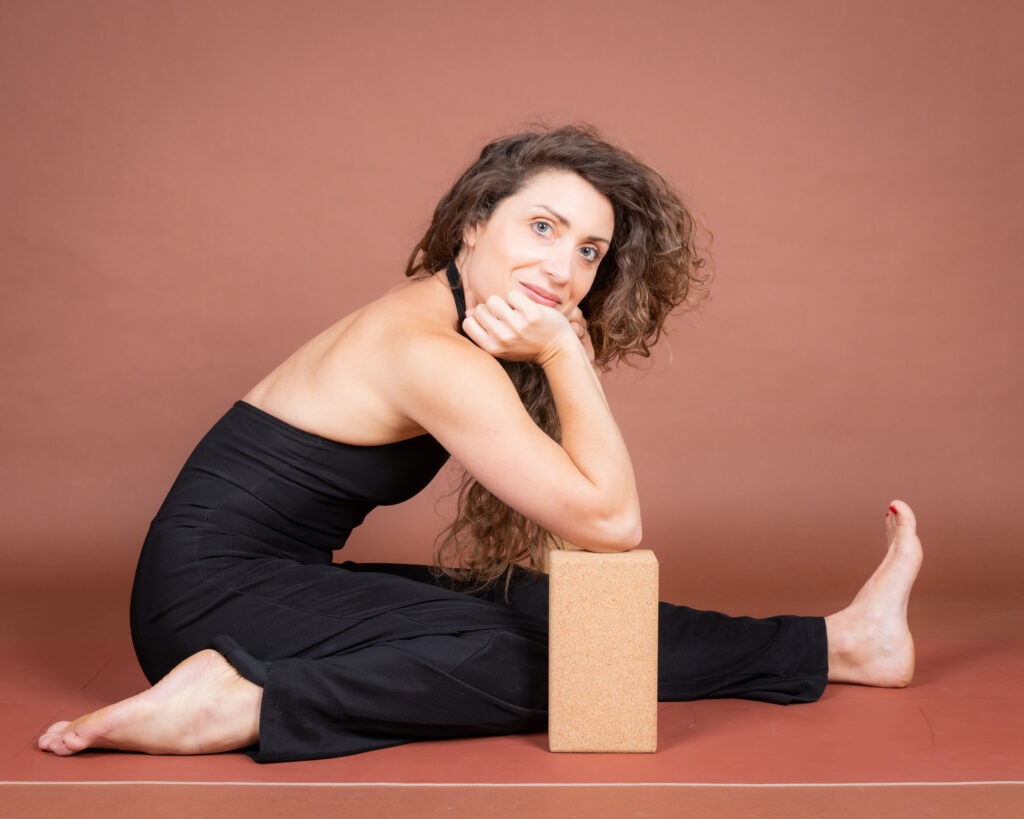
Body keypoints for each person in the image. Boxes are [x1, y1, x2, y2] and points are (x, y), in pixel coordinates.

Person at [37, 125, 922, 762]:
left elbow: (582, 528)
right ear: (473, 224)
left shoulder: (452, 324)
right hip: (209, 607)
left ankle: (842, 644)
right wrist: (564, 349)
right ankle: (244, 702)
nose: (564, 268)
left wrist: (553, 348)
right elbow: (612, 521)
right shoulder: (429, 352)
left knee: (539, 607)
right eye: (541, 228)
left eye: (588, 251)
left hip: (265, 582)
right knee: (562, 657)